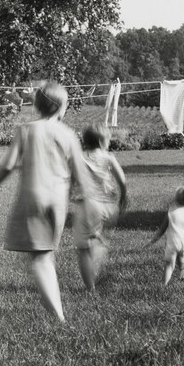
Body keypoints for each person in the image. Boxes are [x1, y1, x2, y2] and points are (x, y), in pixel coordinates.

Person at [0, 81, 95, 323]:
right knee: (46, 255)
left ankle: (58, 316)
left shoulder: (27, 129)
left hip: (34, 198)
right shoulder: (69, 134)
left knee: (40, 259)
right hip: (58, 202)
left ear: (36, 106)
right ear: (62, 108)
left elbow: (8, 166)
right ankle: (51, 298)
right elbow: (81, 173)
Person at [73, 122, 128, 290]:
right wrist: (124, 195)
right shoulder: (109, 157)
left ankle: (90, 287)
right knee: (96, 238)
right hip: (109, 206)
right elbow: (121, 179)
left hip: (89, 205)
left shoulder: (80, 157)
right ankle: (97, 245)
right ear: (103, 142)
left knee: (83, 249)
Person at [148, 186, 184, 286]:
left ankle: (164, 284)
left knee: (169, 264)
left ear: (175, 199)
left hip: (173, 242)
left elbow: (162, 228)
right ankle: (183, 282)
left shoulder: (171, 211)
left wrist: (154, 240)